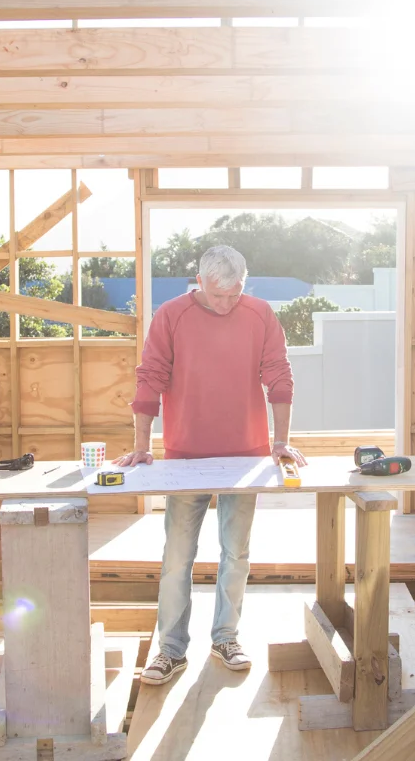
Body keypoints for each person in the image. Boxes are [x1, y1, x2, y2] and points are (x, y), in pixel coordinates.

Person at [117, 244, 306, 685]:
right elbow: (150, 376)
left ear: (245, 284)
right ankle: (170, 649)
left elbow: (279, 374)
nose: (226, 304)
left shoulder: (260, 314)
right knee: (177, 556)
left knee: (235, 552)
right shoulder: (171, 315)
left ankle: (226, 637)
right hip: (185, 455)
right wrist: (142, 446)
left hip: (245, 454)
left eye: (235, 293)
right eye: (218, 295)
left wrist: (280, 442)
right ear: (199, 282)